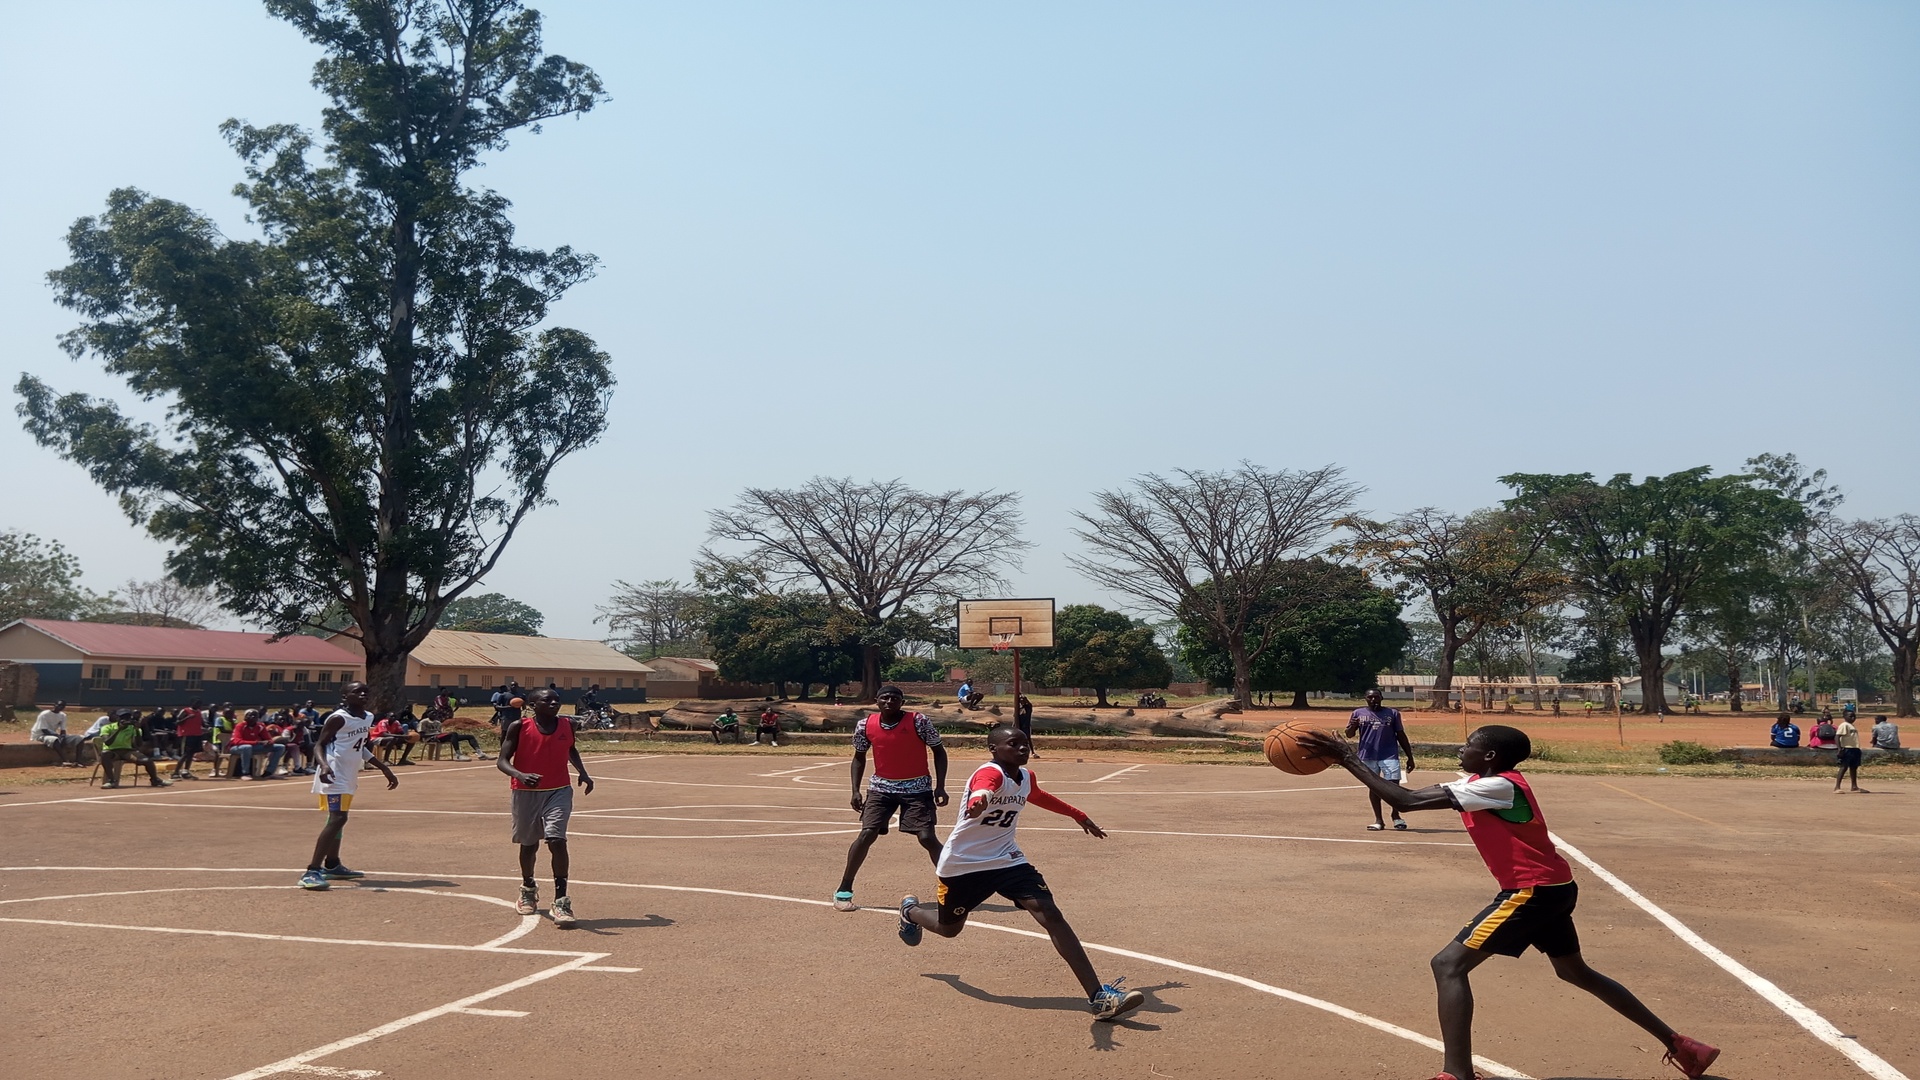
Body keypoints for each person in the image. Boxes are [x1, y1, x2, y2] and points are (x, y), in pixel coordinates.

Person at [1297, 724, 1720, 1080]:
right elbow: (1407, 794)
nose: (1463, 750)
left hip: (1532, 891)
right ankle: (1684, 1046)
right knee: (1576, 972)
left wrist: (1348, 758)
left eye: (1469, 745)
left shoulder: (1499, 786)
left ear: (1490, 755)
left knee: (1447, 964)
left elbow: (1403, 801)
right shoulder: (1483, 783)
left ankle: (1456, 1075)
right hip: (1551, 887)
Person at [896, 724, 1146, 1023]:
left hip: (1007, 860)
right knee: (949, 929)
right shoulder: (989, 773)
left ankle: (1099, 998)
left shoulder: (1025, 777)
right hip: (964, 865)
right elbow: (983, 788)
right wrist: (979, 800)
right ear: (994, 749)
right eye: (1014, 744)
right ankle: (910, 911)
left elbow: (1040, 796)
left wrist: (1078, 815)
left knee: (1050, 913)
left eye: (1025, 743)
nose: (1023, 749)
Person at [834, 685, 949, 912]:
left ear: (902, 701)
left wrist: (940, 787)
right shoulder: (865, 725)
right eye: (884, 698)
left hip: (917, 786)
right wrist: (855, 790)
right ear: (876, 700)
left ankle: (953, 885)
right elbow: (859, 757)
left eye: (894, 698)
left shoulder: (919, 721)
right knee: (867, 833)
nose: (889, 702)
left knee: (926, 836)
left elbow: (939, 751)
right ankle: (844, 889)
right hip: (881, 786)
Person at [498, 688, 594, 928]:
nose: (553, 703)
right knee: (529, 844)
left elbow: (571, 748)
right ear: (532, 704)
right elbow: (502, 761)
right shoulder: (519, 727)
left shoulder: (566, 725)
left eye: (556, 700)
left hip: (558, 790)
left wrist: (582, 771)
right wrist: (520, 774)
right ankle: (528, 887)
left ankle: (561, 900)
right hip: (526, 792)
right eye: (546, 700)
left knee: (556, 840)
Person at [300, 682, 398, 890]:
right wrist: (324, 766)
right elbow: (319, 744)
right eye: (357, 691)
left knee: (337, 819)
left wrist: (384, 768)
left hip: (350, 774)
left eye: (366, 691)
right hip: (334, 774)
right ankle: (312, 871)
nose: (363, 694)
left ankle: (333, 864)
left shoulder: (368, 717)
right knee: (338, 818)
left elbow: (360, 747)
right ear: (345, 696)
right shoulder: (338, 718)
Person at [1346, 688, 1416, 831]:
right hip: (1367, 756)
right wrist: (1353, 725)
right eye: (1370, 697)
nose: (1373, 700)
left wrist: (1410, 757)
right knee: (1374, 787)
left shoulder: (1392, 713)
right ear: (1365, 698)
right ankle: (1378, 820)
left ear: (1381, 697)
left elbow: (1401, 735)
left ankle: (1396, 816)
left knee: (1394, 787)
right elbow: (1349, 734)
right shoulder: (1358, 713)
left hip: (1389, 755)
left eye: (1376, 697)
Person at [97, 710, 171, 789]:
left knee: (147, 761)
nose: (126, 720)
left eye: (128, 718)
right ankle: (111, 781)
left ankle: (155, 780)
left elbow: (139, 744)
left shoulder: (133, 728)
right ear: (117, 718)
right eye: (123, 718)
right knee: (105, 754)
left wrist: (137, 730)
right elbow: (107, 743)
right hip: (112, 751)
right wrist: (119, 730)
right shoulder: (107, 728)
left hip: (127, 751)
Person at [31, 701, 85, 766]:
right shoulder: (44, 714)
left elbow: (63, 729)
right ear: (54, 705)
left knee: (80, 739)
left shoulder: (62, 715)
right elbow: (44, 730)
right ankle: (65, 760)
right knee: (55, 740)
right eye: (59, 705)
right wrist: (58, 736)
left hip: (53, 734)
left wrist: (63, 737)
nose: (60, 707)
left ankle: (78, 760)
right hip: (40, 734)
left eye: (62, 706)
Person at [227, 710, 276, 780]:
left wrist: (269, 742)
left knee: (279, 747)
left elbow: (269, 739)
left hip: (253, 747)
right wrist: (257, 742)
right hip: (235, 748)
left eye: (255, 715)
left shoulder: (260, 726)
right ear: (245, 717)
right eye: (250, 715)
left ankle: (268, 772)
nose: (253, 717)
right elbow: (237, 741)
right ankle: (245, 773)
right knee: (247, 747)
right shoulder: (240, 726)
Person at [173, 701, 207, 779]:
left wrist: (206, 728)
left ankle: (186, 772)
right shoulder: (185, 711)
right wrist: (188, 717)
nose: (198, 706)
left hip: (196, 735)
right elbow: (177, 722)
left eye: (200, 704)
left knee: (191, 754)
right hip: (187, 735)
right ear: (192, 704)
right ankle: (175, 773)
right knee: (185, 754)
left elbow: (202, 723)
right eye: (197, 704)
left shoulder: (198, 712)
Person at [1833, 712, 1865, 794]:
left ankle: (1854, 786)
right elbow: (1837, 736)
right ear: (1844, 716)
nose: (1853, 718)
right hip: (1847, 748)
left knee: (1854, 767)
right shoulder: (1844, 725)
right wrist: (1839, 749)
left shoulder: (1852, 726)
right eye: (1850, 716)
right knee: (1844, 767)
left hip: (1855, 748)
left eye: (1854, 716)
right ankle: (1837, 787)